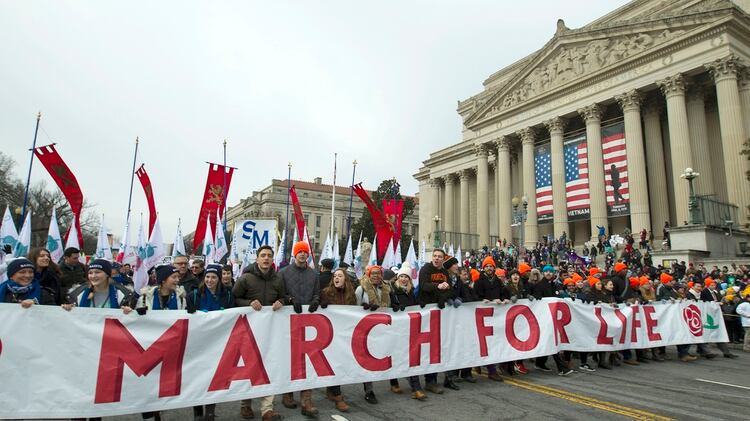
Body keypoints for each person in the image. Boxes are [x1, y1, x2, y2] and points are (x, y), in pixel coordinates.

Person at [232, 245, 285, 420]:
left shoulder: (278, 279)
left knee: (269, 367)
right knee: (249, 368)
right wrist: (248, 304)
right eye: (263, 255)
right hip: (249, 331)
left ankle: (267, 409)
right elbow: (234, 298)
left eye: (269, 256)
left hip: (270, 332)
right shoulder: (246, 278)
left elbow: (284, 297)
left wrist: (281, 302)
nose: (266, 258)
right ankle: (245, 404)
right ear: (257, 259)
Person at [186, 263, 234, 421]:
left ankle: (211, 411)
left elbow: (233, 314)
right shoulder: (193, 295)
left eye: (213, 277)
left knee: (215, 379)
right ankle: (198, 412)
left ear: (219, 279)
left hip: (218, 343)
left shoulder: (227, 295)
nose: (209, 280)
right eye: (207, 276)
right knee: (197, 379)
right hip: (198, 343)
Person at [280, 241, 320, 417]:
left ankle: (306, 399)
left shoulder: (314, 274)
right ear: (294, 255)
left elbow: (317, 292)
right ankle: (288, 393)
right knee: (290, 359)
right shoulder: (283, 273)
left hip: (308, 321)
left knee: (308, 361)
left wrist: (316, 300)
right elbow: (279, 293)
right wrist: (289, 299)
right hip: (288, 321)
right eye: (300, 252)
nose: (303, 254)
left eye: (305, 252)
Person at [388, 264, 428, 400]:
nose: (404, 279)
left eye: (406, 277)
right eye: (402, 276)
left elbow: (415, 304)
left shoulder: (411, 291)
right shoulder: (392, 291)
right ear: (398, 278)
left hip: (409, 329)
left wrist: (421, 304)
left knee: (411, 357)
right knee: (395, 356)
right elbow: (389, 305)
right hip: (397, 329)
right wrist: (397, 307)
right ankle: (394, 382)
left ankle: (416, 388)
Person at [319, 268, 356, 412]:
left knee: (340, 363)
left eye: (340, 276)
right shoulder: (326, 293)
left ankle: (331, 390)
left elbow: (355, 311)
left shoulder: (351, 294)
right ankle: (338, 396)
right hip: (330, 334)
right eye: (334, 276)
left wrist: (364, 309)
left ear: (345, 279)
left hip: (345, 334)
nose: (336, 278)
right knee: (335, 364)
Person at [354, 264, 391, 402]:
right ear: (368, 274)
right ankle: (369, 390)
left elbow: (390, 306)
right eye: (373, 273)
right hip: (366, 330)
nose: (376, 276)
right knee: (368, 361)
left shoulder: (387, 288)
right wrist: (364, 309)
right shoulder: (360, 289)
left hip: (382, 329)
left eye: (378, 273)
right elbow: (354, 309)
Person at [416, 249, 450, 394]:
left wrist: (444, 296)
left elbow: (448, 290)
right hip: (426, 311)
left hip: (439, 311)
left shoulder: (445, 273)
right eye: (435, 256)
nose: (436, 258)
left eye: (439, 257)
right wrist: (438, 286)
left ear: (443, 259)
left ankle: (432, 380)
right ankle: (425, 380)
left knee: (437, 346)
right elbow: (424, 286)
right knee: (426, 347)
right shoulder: (425, 270)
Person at [532, 265, 573, 376]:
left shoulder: (555, 285)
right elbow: (538, 299)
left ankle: (540, 363)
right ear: (543, 273)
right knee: (552, 340)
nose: (548, 273)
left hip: (553, 317)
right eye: (546, 271)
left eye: (550, 271)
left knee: (548, 340)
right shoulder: (539, 285)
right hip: (544, 317)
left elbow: (559, 297)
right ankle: (562, 367)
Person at [64, 259, 134, 311]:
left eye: (97, 272)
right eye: (90, 273)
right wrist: (69, 309)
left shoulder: (121, 295)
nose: (93, 276)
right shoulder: (79, 294)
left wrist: (128, 312)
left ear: (107, 274)